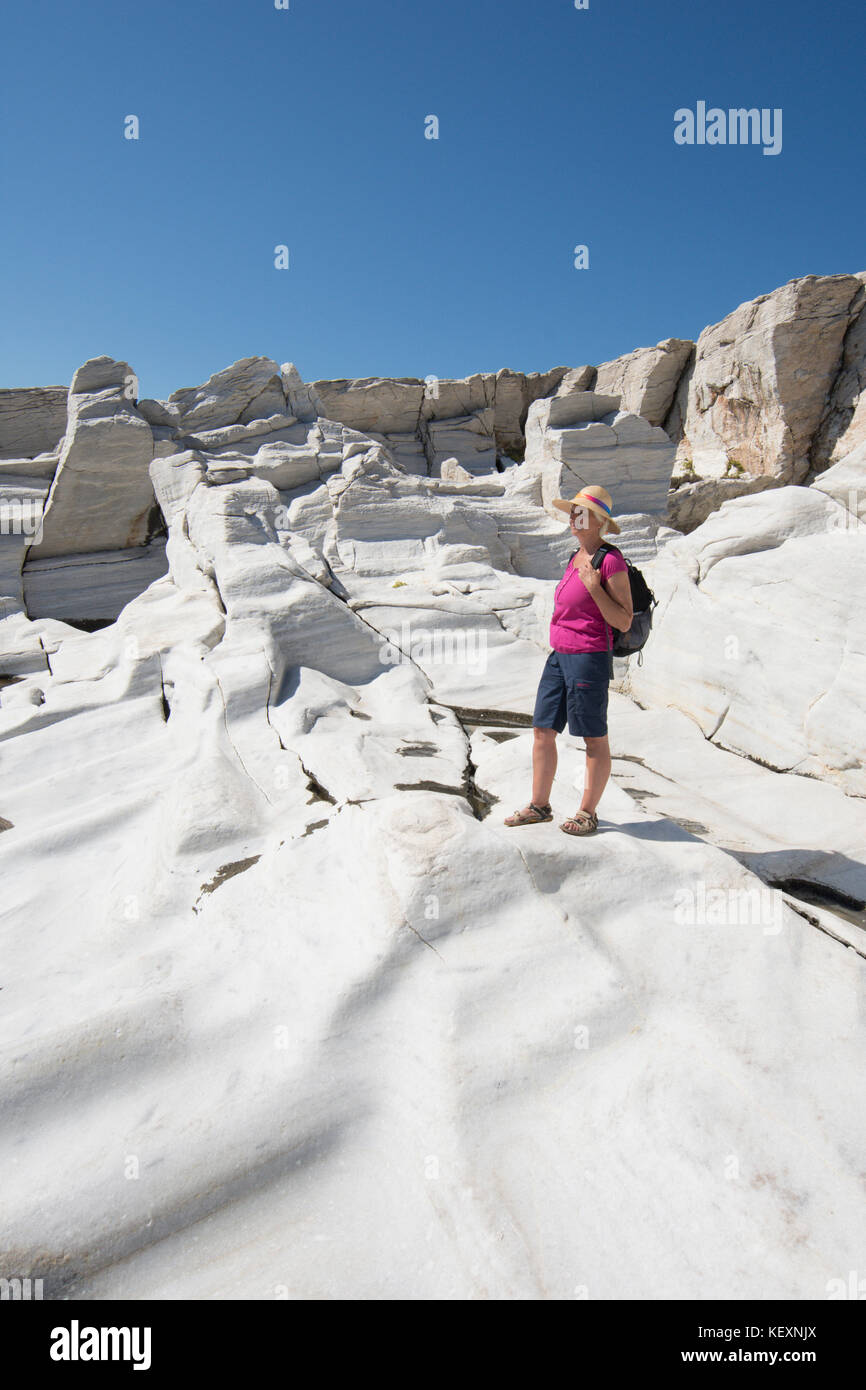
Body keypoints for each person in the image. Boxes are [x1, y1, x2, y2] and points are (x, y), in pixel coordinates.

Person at [504, 484, 633, 835]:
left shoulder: (610, 560)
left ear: (598, 520)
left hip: (589, 658)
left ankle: (587, 813)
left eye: (581, 512)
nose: (573, 517)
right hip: (559, 657)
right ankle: (539, 805)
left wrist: (593, 586)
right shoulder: (573, 557)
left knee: (593, 737)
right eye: (572, 510)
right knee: (543, 731)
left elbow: (624, 620)